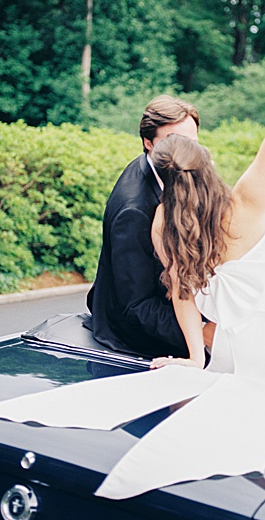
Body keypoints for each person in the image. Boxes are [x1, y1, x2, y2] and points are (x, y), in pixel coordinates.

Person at [0, 34, 265, 499]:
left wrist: (196, 360)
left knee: (232, 434)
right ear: (208, 167)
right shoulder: (245, 206)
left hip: (234, 351)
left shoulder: (165, 228)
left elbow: (180, 294)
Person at [85, 95, 216, 357]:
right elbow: (135, 305)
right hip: (138, 331)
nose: (185, 153)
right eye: (173, 142)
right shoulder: (134, 211)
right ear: (148, 143)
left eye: (191, 143)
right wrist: (202, 335)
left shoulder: (175, 171)